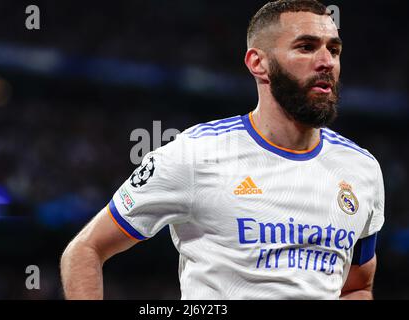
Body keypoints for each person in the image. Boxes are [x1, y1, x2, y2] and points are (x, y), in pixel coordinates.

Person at [60, 0, 385, 300]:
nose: (327, 61)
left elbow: (357, 286)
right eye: (306, 47)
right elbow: (85, 249)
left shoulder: (362, 169)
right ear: (259, 63)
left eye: (334, 49)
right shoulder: (194, 154)